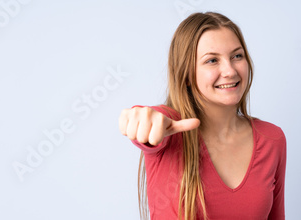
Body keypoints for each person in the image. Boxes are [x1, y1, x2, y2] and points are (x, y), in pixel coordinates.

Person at [118, 12, 286, 220]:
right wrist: (141, 119)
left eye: (237, 56)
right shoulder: (170, 129)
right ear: (187, 75)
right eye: (212, 60)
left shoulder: (272, 138)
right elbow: (150, 121)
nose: (230, 70)